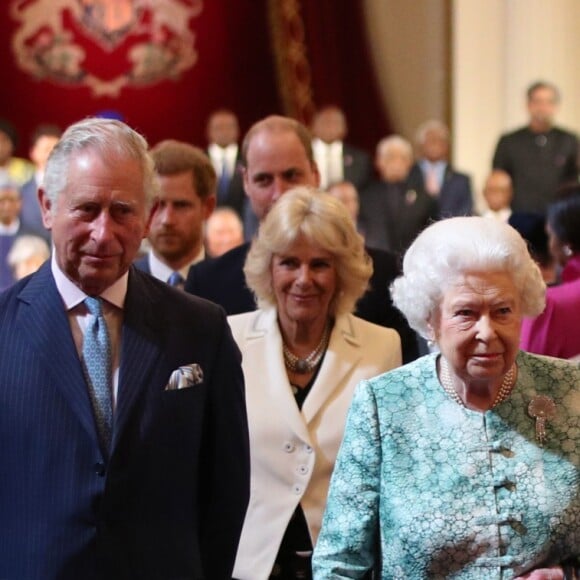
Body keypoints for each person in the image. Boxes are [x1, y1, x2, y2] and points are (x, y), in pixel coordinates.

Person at [0, 117, 250, 579]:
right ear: (47, 205)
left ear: (149, 214)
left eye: (122, 211)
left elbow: (226, 491)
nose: (103, 233)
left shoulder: (200, 329)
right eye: (87, 209)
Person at [313, 216, 580, 579]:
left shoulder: (570, 389)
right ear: (430, 321)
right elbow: (339, 565)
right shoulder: (385, 404)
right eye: (466, 314)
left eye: (503, 311)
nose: (488, 332)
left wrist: (568, 576)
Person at [230, 187, 402, 580]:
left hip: (344, 566)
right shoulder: (229, 340)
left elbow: (386, 475)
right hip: (249, 565)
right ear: (268, 268)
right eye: (289, 263)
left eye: (319, 264)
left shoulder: (383, 346)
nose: (303, 280)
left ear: (341, 271)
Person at [185, 115, 419, 363]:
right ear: (246, 183)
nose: (279, 193)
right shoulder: (209, 283)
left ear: (315, 175)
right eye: (264, 180)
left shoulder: (382, 275)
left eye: (291, 176)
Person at [134, 139, 216, 287]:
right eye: (157, 205)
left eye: (181, 205)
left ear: (208, 207)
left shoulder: (235, 286)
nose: (167, 220)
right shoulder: (120, 285)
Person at [492, 81, 579, 215]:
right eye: (538, 101)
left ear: (555, 106)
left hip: (560, 217)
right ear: (528, 105)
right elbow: (498, 179)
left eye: (548, 102)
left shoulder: (569, 140)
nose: (543, 107)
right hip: (520, 217)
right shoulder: (509, 141)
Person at [520, 189, 580, 359]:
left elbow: (526, 375)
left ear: (565, 243)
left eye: (550, 235)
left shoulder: (552, 304)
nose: (550, 245)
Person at [359, 135, 438, 255]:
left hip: (413, 262)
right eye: (390, 157)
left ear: (410, 162)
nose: (396, 163)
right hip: (375, 263)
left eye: (402, 158)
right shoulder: (365, 196)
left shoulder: (424, 198)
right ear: (378, 161)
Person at [408, 119, 473, 218]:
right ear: (420, 145)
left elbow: (465, 212)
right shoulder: (407, 176)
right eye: (430, 140)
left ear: (447, 146)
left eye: (439, 140)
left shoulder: (462, 180)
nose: (435, 144)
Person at [310, 105, 372, 191]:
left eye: (334, 122)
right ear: (313, 126)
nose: (329, 127)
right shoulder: (302, 155)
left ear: (344, 128)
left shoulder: (360, 159)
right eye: (325, 122)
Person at [19, 123, 62, 239]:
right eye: (47, 149)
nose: (52, 154)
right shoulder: (20, 193)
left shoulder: (74, 189)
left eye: (56, 149)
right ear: (33, 152)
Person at [0, 176, 42, 291]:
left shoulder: (35, 236)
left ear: (20, 203)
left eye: (11, 200)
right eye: (2, 201)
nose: (7, 206)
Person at [205, 108, 245, 217]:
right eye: (219, 128)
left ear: (237, 130)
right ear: (209, 131)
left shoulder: (248, 159)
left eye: (228, 127)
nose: (224, 132)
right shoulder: (199, 161)